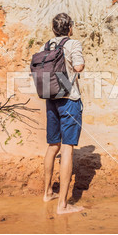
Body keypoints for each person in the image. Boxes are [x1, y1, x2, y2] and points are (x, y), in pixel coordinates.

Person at [40, 13, 85, 214]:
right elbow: (78, 66)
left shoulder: (47, 45)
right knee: (67, 149)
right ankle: (63, 206)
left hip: (51, 99)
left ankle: (48, 193)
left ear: (54, 29)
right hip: (69, 99)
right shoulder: (73, 44)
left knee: (53, 146)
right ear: (70, 28)